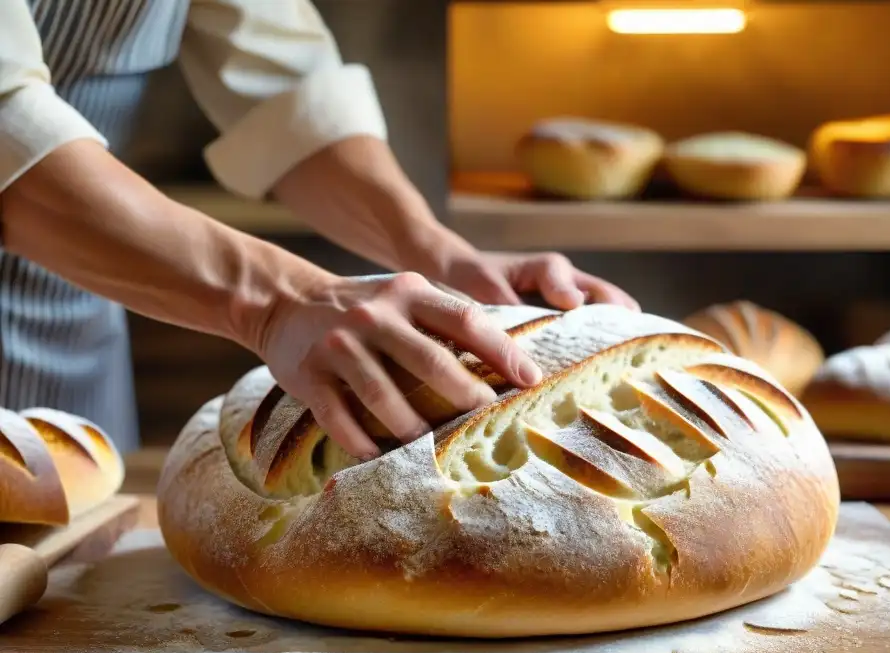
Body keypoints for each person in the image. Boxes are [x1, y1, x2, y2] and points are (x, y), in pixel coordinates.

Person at [0, 0, 638, 459]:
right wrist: (279, 303)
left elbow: (284, 90)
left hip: (78, 307)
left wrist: (438, 254)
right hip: (84, 240)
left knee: (69, 581)